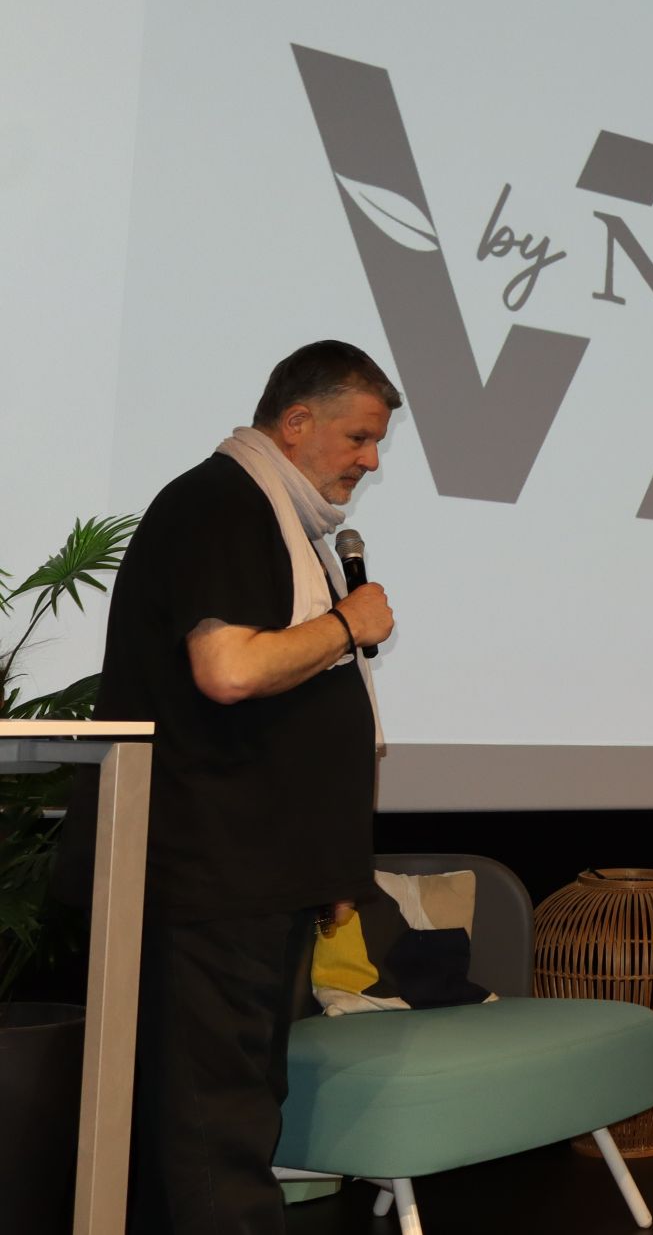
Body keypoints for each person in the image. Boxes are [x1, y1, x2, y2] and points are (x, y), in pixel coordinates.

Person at [92, 340, 399, 1233]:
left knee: (234, 1109)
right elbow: (228, 670)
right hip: (209, 876)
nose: (371, 461)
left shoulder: (276, 518)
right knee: (215, 1126)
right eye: (359, 437)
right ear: (296, 422)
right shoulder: (223, 502)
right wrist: (348, 622)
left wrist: (325, 863)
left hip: (258, 875)